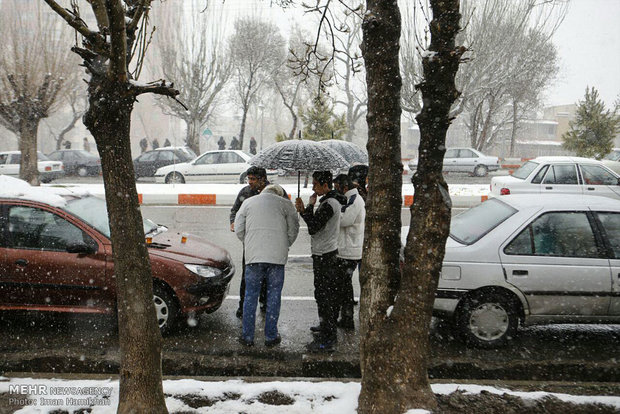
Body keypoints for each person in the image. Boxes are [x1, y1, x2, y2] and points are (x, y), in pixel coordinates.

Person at [235, 184, 299, 347]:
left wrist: (249, 242)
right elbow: (294, 230)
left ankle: (247, 336)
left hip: (254, 257)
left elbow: (238, 228)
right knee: (274, 295)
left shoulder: (248, 202)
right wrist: (284, 245)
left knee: (250, 296)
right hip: (277, 259)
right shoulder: (286, 204)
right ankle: (270, 336)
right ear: (280, 193)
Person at [295, 171, 347, 353]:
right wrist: (309, 207)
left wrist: (304, 210)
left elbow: (313, 227)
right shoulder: (328, 201)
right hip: (323, 253)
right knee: (322, 294)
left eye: (316, 184)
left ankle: (328, 337)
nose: (313, 187)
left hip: (326, 256)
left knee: (326, 296)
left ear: (326, 185)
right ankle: (325, 327)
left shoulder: (330, 204)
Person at [230, 166, 288, 318]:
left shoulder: (278, 192)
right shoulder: (245, 193)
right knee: (247, 278)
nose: (250, 182)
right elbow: (235, 211)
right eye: (248, 179)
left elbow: (288, 216)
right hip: (252, 244)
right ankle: (243, 307)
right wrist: (234, 223)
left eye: (253, 179)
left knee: (269, 279)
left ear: (263, 179)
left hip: (272, 243)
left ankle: (265, 304)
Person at [333, 174, 365, 330]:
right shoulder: (349, 198)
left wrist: (334, 211)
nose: (335, 189)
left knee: (345, 287)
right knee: (343, 286)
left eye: (336, 186)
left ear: (344, 187)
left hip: (349, 250)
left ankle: (347, 319)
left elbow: (344, 220)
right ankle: (345, 317)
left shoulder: (353, 200)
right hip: (346, 248)